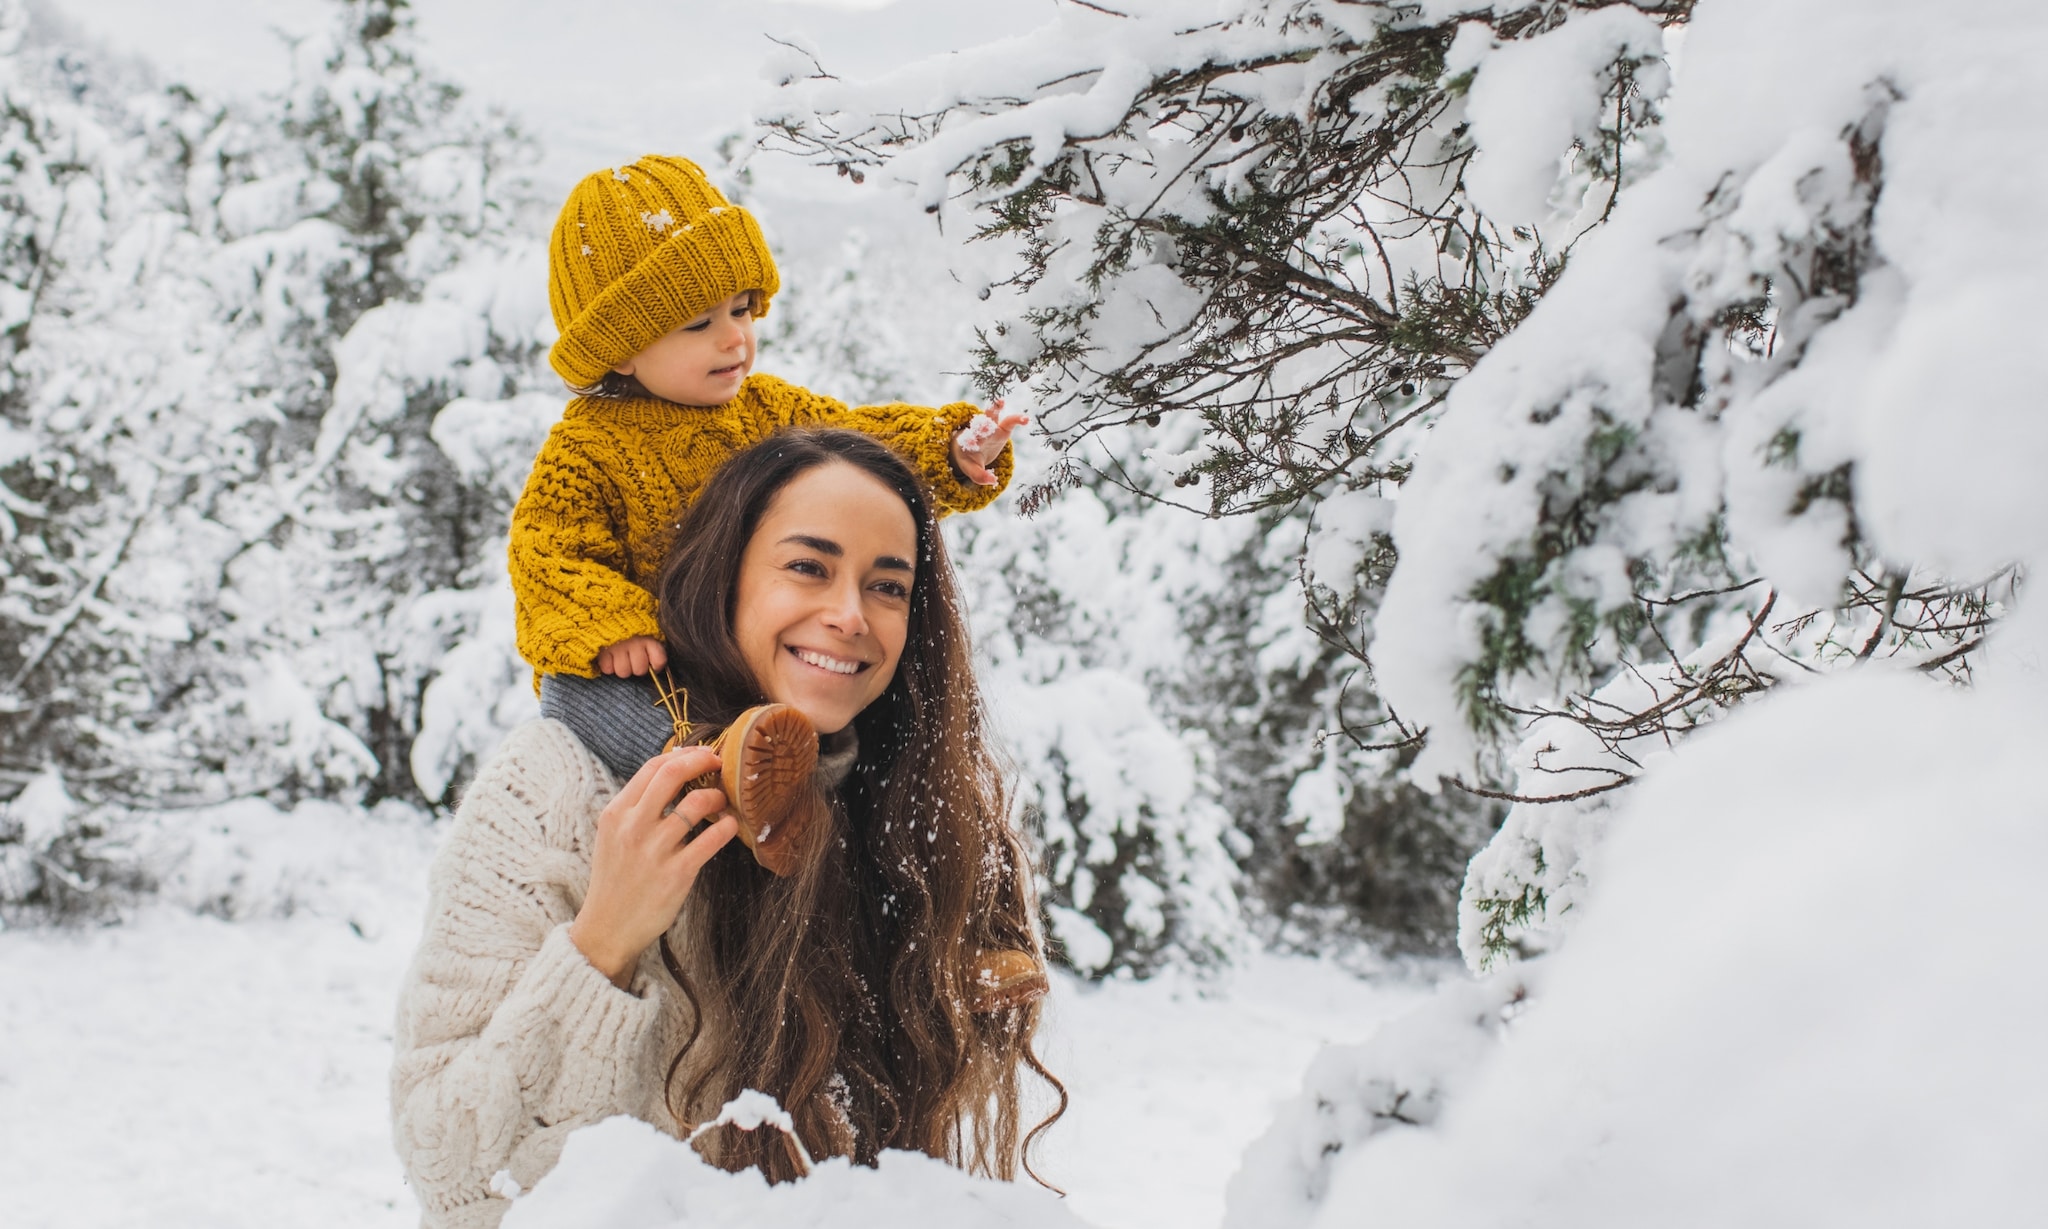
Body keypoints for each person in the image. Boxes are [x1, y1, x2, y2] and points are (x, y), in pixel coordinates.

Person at [391, 430, 1062, 1228]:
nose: (850, 614)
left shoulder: (898, 814)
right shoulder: (554, 788)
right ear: (725, 580)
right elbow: (459, 1177)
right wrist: (605, 941)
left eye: (888, 586)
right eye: (808, 567)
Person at [512, 153, 1027, 683]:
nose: (735, 336)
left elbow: (861, 454)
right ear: (619, 349)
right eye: (698, 324)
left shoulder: (771, 410)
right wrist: (615, 626)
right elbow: (548, 553)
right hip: (664, 675)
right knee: (594, 703)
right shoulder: (585, 450)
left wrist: (950, 451)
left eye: (740, 310)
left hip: (776, 656)